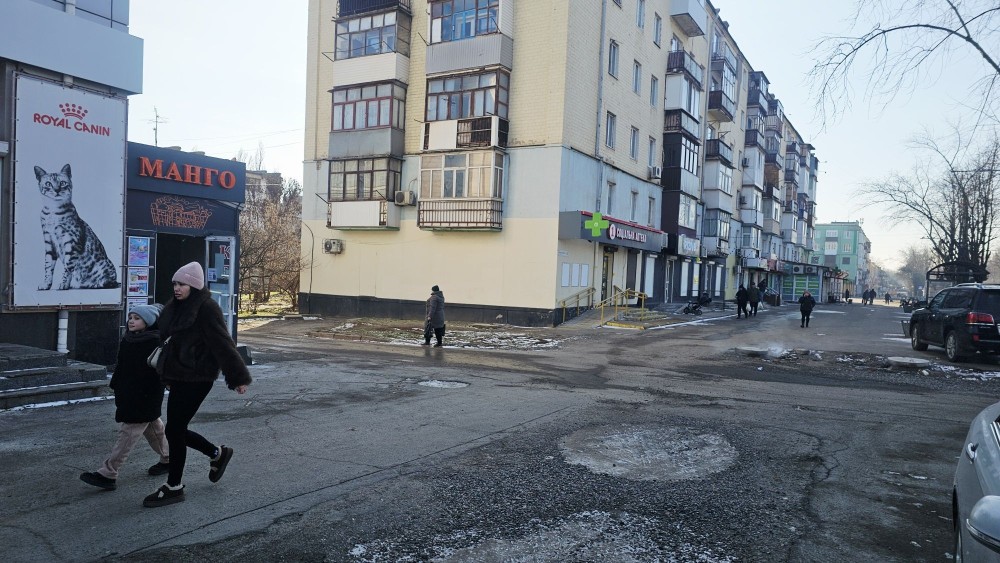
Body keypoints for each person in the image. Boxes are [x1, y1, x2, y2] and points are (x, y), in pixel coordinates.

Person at [143, 262, 252, 508]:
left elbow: (223, 343)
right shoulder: (175, 306)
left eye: (182, 284)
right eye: (175, 284)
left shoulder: (206, 308)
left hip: (198, 377)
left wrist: (237, 377)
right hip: (178, 376)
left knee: (175, 429)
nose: (177, 288)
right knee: (175, 430)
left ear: (193, 285)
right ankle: (216, 454)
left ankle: (174, 486)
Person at [80, 304, 169, 491]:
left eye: (137, 318)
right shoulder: (129, 339)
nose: (131, 321)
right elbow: (121, 365)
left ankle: (108, 472)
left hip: (145, 395)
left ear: (148, 322)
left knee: (128, 433)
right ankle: (169, 458)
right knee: (155, 429)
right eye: (130, 317)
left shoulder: (155, 342)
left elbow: (158, 371)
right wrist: (116, 385)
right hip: (129, 393)